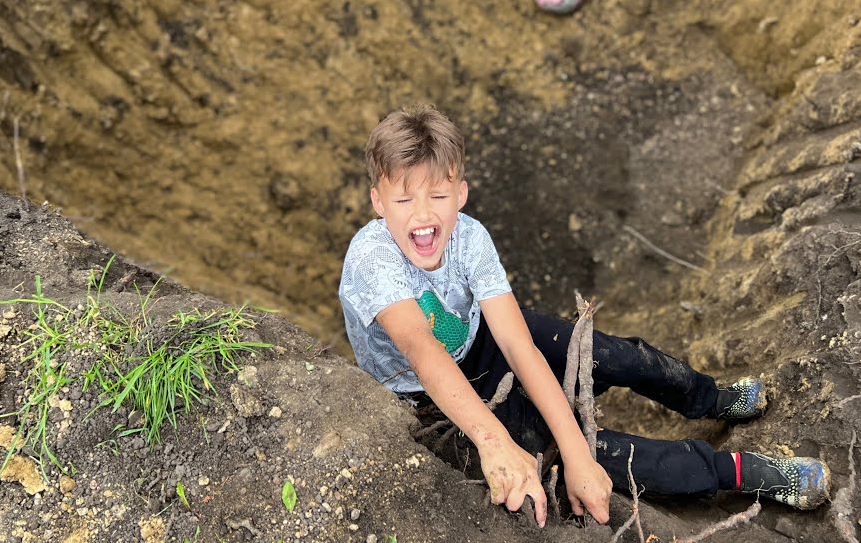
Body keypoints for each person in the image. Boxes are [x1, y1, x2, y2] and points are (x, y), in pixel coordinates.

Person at [338, 104, 830, 527]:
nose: (423, 215)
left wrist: (575, 452)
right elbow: (423, 350)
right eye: (403, 199)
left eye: (438, 197)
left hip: (480, 338)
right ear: (378, 202)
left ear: (461, 194)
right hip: (424, 389)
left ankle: (712, 398)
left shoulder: (469, 237)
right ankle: (739, 472)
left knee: (616, 356)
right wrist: (499, 444)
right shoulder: (373, 259)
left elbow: (517, 345)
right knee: (602, 455)